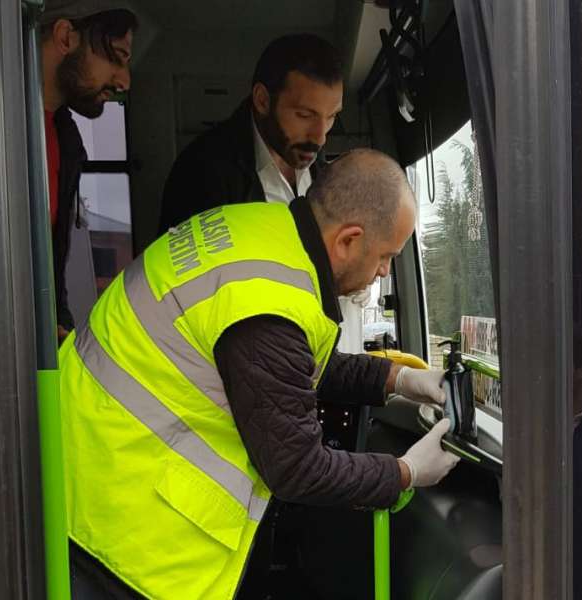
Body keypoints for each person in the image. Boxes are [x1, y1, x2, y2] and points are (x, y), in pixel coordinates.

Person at [61, 149, 460, 599]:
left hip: (90, 466)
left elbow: (291, 368)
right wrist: (405, 473)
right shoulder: (268, 300)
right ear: (348, 240)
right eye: (385, 256)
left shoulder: (262, 237)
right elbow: (297, 468)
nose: (384, 271)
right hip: (125, 528)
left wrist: (398, 381)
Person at [157, 33, 371, 354]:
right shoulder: (202, 174)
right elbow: (192, 300)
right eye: (304, 115)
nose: (320, 136)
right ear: (261, 100)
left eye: (332, 117)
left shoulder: (322, 176)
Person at [39, 0, 138, 341]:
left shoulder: (66, 139)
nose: (123, 80)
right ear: (66, 38)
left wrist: (57, 328)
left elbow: (49, 267)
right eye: (117, 57)